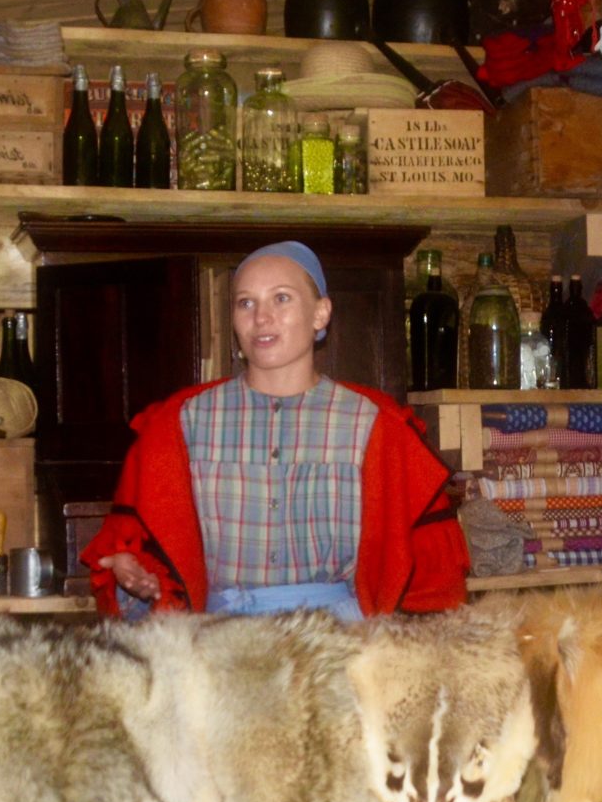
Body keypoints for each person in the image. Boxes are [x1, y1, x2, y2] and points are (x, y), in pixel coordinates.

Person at [84, 240, 468, 620]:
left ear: (321, 313)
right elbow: (142, 554)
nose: (261, 318)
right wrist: (131, 574)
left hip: (342, 645)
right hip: (221, 646)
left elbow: (429, 581)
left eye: (281, 298)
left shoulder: (376, 425)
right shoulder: (181, 424)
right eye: (245, 302)